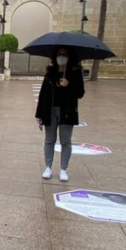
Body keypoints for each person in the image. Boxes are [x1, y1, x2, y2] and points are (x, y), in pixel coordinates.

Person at [36, 47, 85, 182]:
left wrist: (68, 85)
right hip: (50, 110)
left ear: (69, 57)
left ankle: (63, 169)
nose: (61, 57)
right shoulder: (50, 73)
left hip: (67, 112)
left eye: (64, 55)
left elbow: (80, 93)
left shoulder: (75, 73)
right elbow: (43, 94)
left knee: (65, 141)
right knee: (49, 140)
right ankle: (48, 167)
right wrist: (38, 113)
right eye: (59, 54)